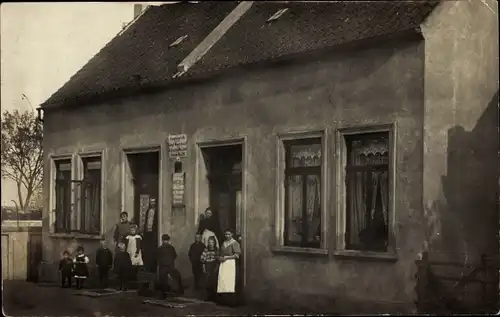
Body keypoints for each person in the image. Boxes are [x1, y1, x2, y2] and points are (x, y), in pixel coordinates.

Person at [216, 228, 242, 307]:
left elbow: (237, 255)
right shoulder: (224, 243)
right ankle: (223, 300)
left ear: (232, 234)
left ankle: (231, 302)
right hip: (223, 264)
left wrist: (226, 258)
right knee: (223, 281)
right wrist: (220, 257)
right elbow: (220, 253)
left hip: (231, 264)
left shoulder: (234, 243)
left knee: (230, 281)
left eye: (228, 234)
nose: (227, 236)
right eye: (226, 234)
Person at [200, 236, 219, 302]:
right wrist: (204, 267)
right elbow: (202, 259)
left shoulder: (217, 250)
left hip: (214, 266)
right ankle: (209, 296)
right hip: (207, 266)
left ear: (214, 243)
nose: (211, 244)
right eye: (209, 242)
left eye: (212, 242)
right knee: (207, 282)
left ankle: (215, 297)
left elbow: (218, 259)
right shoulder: (205, 250)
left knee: (214, 281)